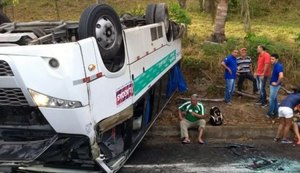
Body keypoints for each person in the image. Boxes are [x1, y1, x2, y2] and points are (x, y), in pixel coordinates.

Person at [267, 53, 284, 118]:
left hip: (275, 86)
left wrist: (276, 83)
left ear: (277, 59)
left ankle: (270, 114)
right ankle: (276, 112)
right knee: (274, 99)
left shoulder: (278, 66)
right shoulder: (275, 65)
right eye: (270, 59)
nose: (271, 60)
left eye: (273, 59)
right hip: (274, 85)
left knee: (271, 99)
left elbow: (281, 76)